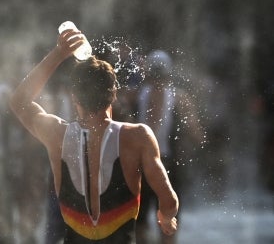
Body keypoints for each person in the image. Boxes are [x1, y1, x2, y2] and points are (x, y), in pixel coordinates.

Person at [10, 29, 179, 243]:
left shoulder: (56, 134)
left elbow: (18, 102)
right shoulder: (138, 137)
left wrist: (59, 54)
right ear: (114, 94)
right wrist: (166, 218)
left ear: (74, 98)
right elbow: (169, 202)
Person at [136, 50, 204, 243]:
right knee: (167, 222)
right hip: (165, 165)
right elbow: (196, 133)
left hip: (143, 165)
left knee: (141, 222)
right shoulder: (179, 97)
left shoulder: (137, 94)